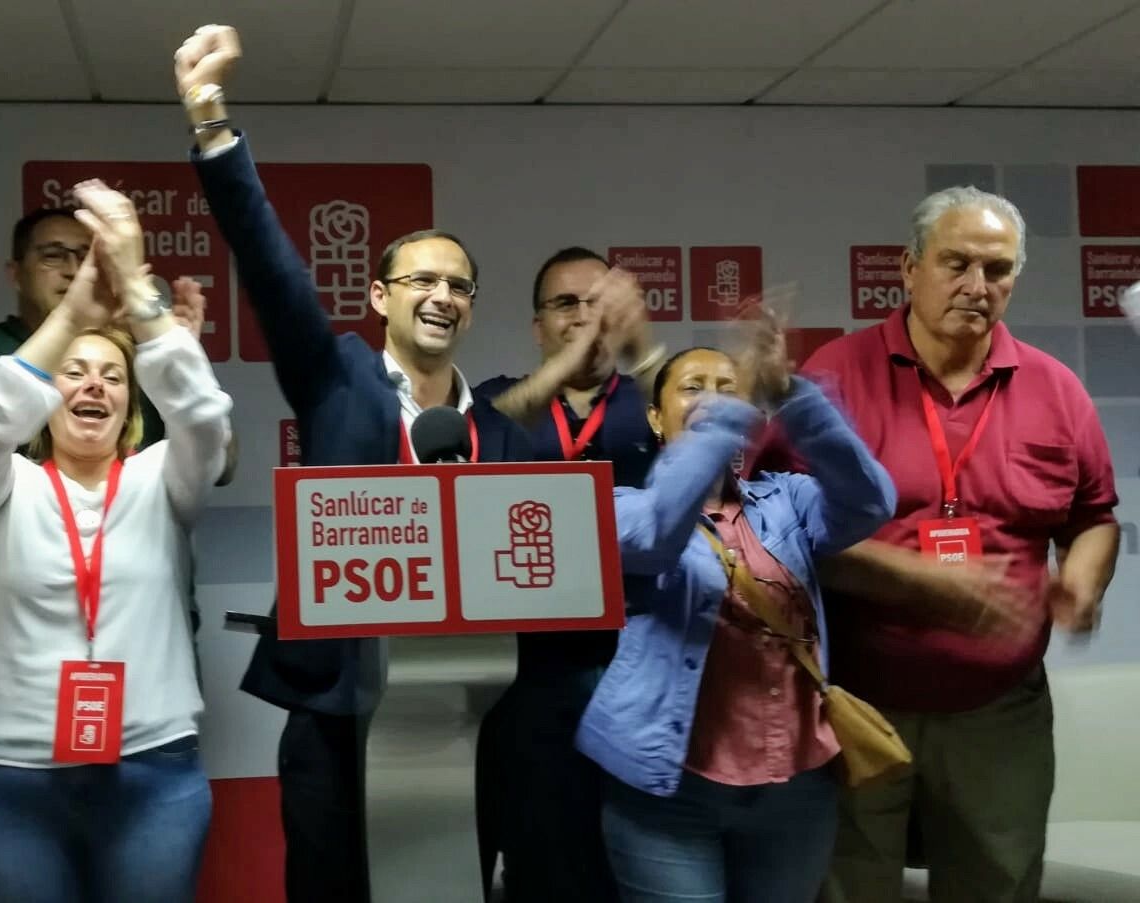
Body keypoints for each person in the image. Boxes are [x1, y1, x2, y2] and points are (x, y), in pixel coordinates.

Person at [175, 24, 532, 903]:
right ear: (379, 297)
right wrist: (213, 123)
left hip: (464, 718)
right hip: (339, 710)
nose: (442, 296)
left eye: (458, 286)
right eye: (421, 280)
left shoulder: (498, 432)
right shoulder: (338, 378)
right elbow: (269, 263)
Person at [753, 187, 1120, 902]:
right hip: (854, 699)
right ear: (909, 267)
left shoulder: (1057, 389)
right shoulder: (836, 374)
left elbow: (1094, 513)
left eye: (997, 269)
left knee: (999, 884)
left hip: (998, 708)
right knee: (850, 888)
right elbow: (773, 531)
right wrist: (920, 580)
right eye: (956, 263)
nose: (977, 287)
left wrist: (1081, 578)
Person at [0, 179, 230, 903]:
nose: (93, 386)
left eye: (112, 376)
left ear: (133, 401)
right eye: (74, 374)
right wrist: (74, 314)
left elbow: (202, 420)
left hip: (152, 776)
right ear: (46, 395)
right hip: (9, 782)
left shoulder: (163, 477)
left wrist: (135, 284)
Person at [574, 323, 897, 903]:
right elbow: (658, 536)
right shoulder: (623, 504)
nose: (713, 398)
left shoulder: (788, 499)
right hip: (667, 792)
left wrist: (791, 394)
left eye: (728, 388)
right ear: (654, 418)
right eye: (693, 388)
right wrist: (728, 415)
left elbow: (870, 501)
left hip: (794, 789)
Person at [0, 207, 219, 671]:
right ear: (16, 273)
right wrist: (70, 324)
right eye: (53, 255)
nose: (71, 268)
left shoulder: (136, 356)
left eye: (86, 256)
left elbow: (220, 461)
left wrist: (180, 364)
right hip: (17, 637)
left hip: (149, 633)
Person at [472, 246, 664, 901]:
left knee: (641, 861)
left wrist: (644, 354)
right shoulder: (501, 400)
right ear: (537, 326)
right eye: (565, 304)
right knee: (545, 860)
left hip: (643, 668)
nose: (583, 317)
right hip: (530, 675)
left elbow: (708, 433)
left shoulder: (655, 402)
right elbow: (477, 444)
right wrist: (562, 370)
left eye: (597, 303)